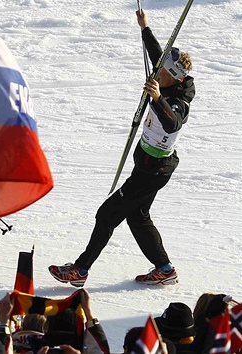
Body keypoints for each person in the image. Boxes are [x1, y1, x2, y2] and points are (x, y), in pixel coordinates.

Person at [48, 9, 195, 287]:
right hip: (152, 165)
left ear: (173, 78)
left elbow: (173, 122)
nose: (156, 72)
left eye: (161, 73)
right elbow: (157, 56)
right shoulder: (168, 76)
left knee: (106, 215)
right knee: (137, 217)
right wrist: (145, 28)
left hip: (152, 170)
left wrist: (158, 98)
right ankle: (165, 269)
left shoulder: (177, 100)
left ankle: (80, 270)